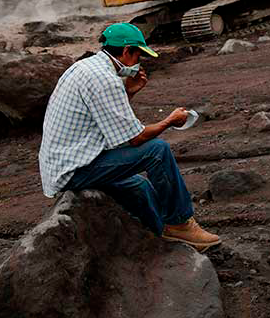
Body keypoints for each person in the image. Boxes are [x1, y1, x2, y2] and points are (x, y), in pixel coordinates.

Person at [38, 23, 221, 251]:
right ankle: (180, 223)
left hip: (67, 163)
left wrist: (129, 92)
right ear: (126, 52)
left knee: (139, 185)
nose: (138, 62)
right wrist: (169, 121)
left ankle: (162, 236)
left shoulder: (87, 67)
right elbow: (135, 138)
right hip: (74, 170)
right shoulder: (104, 79)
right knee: (157, 151)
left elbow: (114, 127)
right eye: (138, 55)